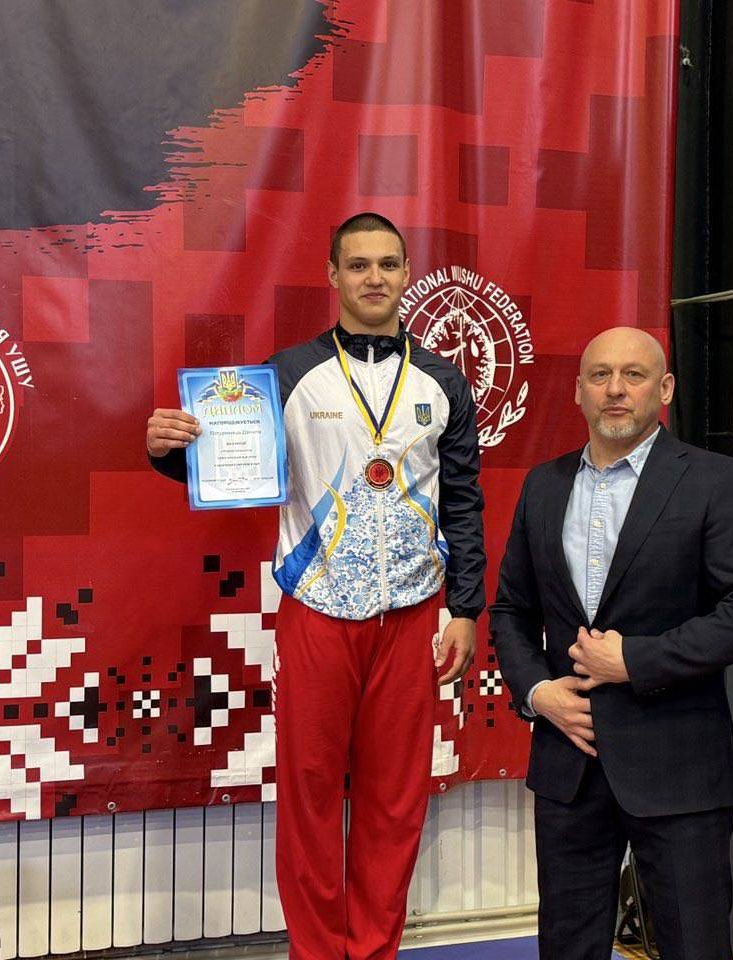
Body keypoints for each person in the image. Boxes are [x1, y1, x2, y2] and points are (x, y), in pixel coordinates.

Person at [145, 212, 485, 960]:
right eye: (358, 265)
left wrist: (465, 608)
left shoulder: (443, 381)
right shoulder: (289, 374)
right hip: (318, 611)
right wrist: (168, 451)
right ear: (333, 276)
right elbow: (230, 465)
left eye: (388, 264)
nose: (374, 278)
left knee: (396, 800)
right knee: (309, 792)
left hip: (413, 612)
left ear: (407, 274)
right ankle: (318, 953)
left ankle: (374, 951)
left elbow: (464, 499)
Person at [490, 327, 733, 960]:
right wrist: (538, 692)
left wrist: (634, 660)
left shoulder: (717, 481)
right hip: (569, 763)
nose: (615, 389)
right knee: (567, 949)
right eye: (600, 375)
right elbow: (511, 609)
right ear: (578, 391)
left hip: (679, 765)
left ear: (665, 388)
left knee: (694, 947)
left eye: (634, 375)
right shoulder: (544, 485)